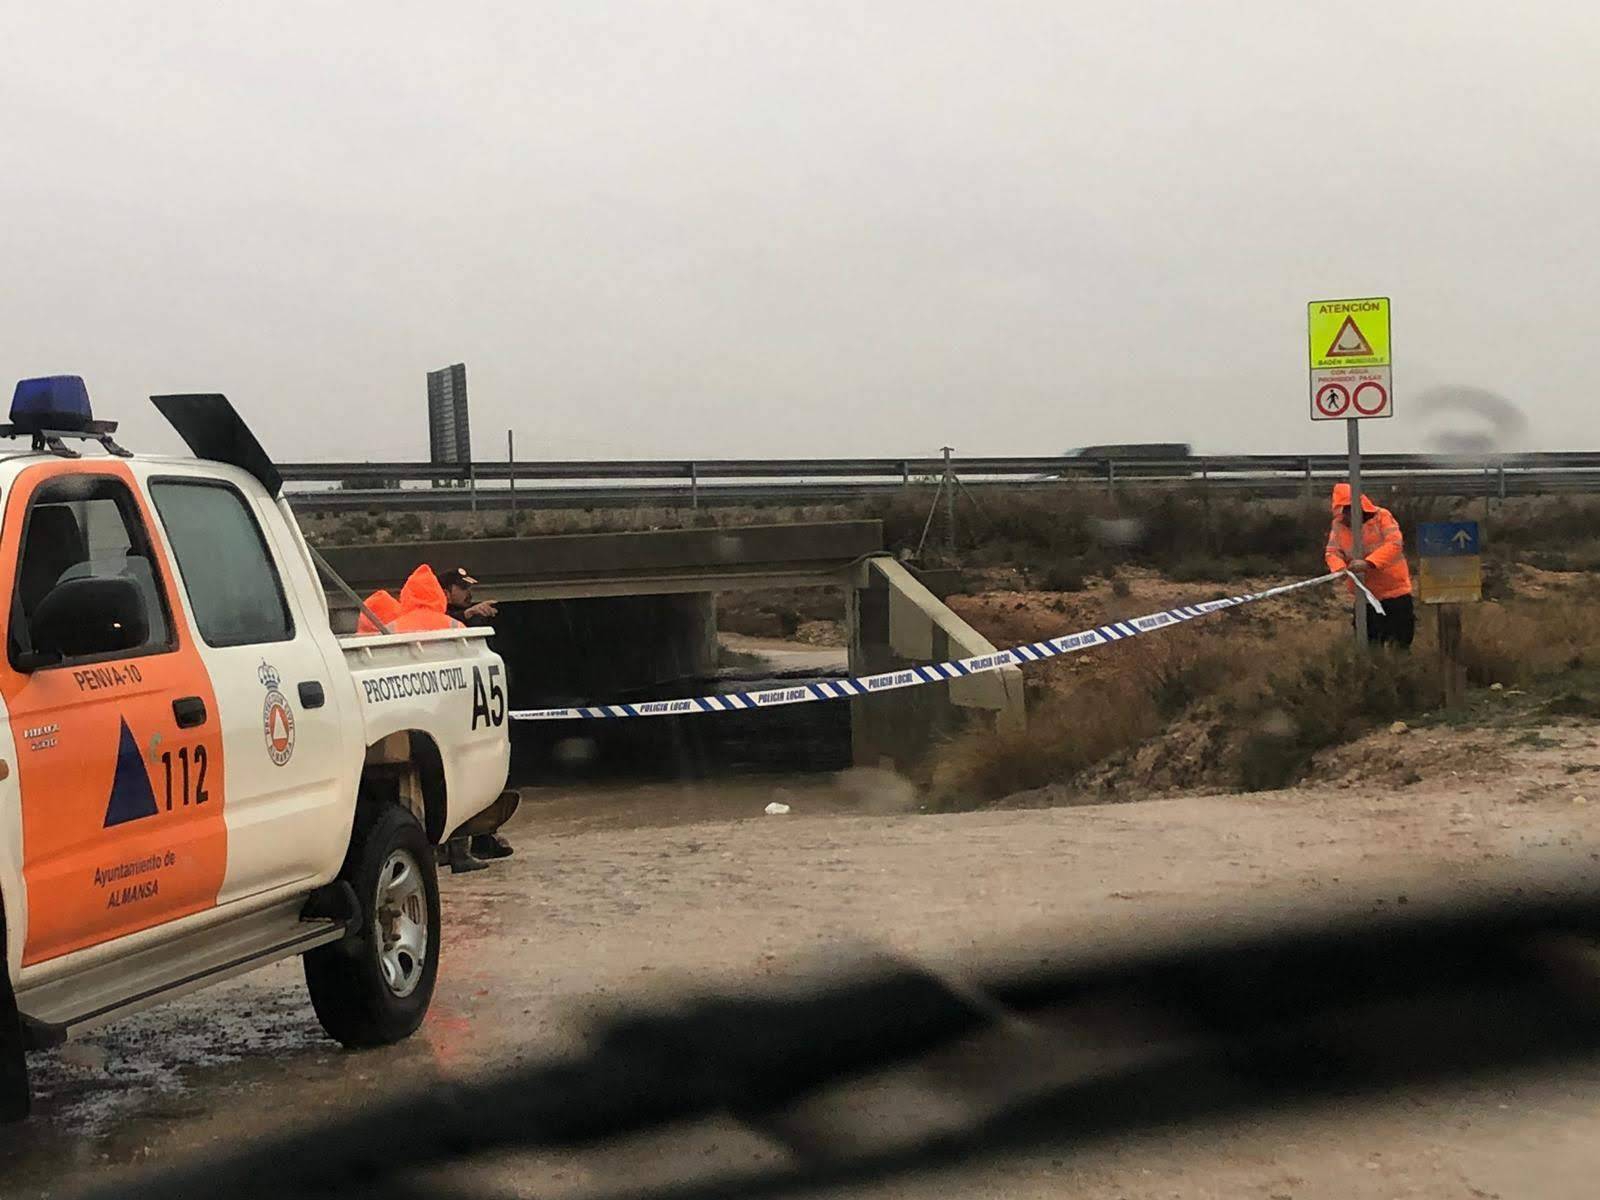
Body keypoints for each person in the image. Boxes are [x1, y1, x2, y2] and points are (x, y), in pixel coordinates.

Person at [1323, 482, 1415, 648]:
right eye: (1344, 509)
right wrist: (1339, 569)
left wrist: (1368, 563)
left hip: (1395, 592)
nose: (1348, 514)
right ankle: (1369, 673)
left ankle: (1401, 673)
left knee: (1400, 645)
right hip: (1364, 595)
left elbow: (1394, 544)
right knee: (1368, 645)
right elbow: (1332, 552)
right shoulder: (1339, 525)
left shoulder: (1382, 516)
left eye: (1350, 508)